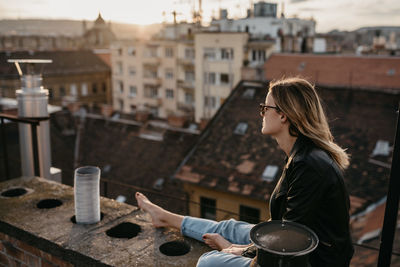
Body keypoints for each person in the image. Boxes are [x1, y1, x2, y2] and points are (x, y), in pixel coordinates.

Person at [135, 77, 354, 267]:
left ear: (283, 115)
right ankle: (164, 217)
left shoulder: (308, 165)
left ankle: (219, 242)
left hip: (309, 262)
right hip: (292, 247)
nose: (261, 114)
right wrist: (246, 248)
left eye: (265, 108)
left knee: (209, 262)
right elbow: (284, 226)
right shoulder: (302, 155)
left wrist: (242, 252)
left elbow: (289, 239)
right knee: (228, 226)